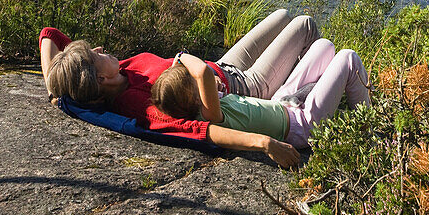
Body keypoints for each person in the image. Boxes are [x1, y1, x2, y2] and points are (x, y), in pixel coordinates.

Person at [39, 9, 319, 167]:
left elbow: (49, 35)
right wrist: (263, 143)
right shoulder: (138, 107)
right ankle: (304, 99)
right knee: (305, 25)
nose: (101, 49)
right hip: (244, 87)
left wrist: (55, 90)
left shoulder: (120, 68)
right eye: (96, 55)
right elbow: (198, 131)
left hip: (223, 64)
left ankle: (302, 86)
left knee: (283, 14)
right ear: (99, 80)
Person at [150, 38, 370, 155]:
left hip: (279, 102)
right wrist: (180, 56)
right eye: (192, 80)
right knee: (348, 58)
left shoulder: (205, 104)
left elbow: (201, 78)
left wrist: (177, 66)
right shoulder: (209, 114)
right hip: (301, 126)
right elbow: (204, 72)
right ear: (194, 96)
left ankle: (331, 94)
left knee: (324, 46)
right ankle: (370, 127)